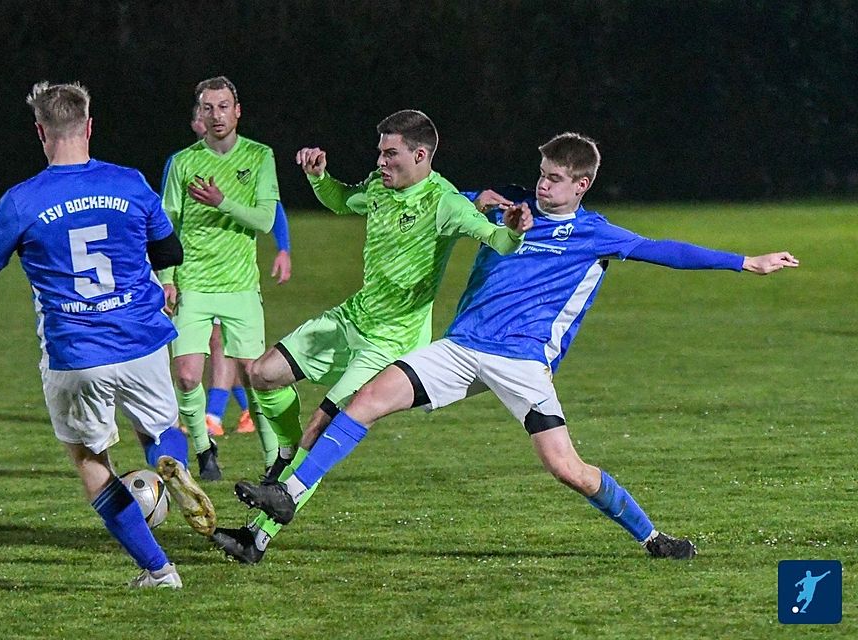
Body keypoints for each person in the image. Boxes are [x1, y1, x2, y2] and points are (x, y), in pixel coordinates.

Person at [221, 132, 799, 563]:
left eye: (555, 179)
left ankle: (652, 536)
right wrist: (473, 197)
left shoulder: (596, 233)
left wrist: (745, 262)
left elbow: (665, 249)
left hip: (523, 363)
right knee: (366, 400)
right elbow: (440, 198)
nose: (543, 184)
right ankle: (286, 494)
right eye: (542, 174)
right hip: (462, 347)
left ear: (581, 185)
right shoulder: (506, 205)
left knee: (567, 469)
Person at [0, 81, 217, 588]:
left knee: (90, 460)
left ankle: (159, 570)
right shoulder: (129, 183)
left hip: (76, 352)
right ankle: (170, 464)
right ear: (89, 126)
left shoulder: (22, 200)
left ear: (41, 132)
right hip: (141, 339)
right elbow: (170, 252)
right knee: (160, 429)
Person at [212, 109, 533, 561]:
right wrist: (319, 178)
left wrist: (513, 232)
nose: (380, 161)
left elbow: (495, 240)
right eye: (379, 152)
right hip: (353, 317)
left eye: (390, 153)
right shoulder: (380, 188)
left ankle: (256, 538)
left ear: (420, 155)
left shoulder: (445, 203)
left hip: (391, 341)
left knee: (322, 425)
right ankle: (283, 458)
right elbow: (342, 201)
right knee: (263, 373)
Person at [159, 75, 289, 482]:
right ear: (199, 113)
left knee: (254, 377)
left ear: (237, 111)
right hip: (193, 283)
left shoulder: (260, 156)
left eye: (223, 106)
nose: (216, 115)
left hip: (240, 287)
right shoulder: (182, 162)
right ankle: (204, 450)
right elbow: (167, 224)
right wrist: (167, 277)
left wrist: (223, 202)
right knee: (186, 375)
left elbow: (265, 219)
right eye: (208, 108)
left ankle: (272, 462)